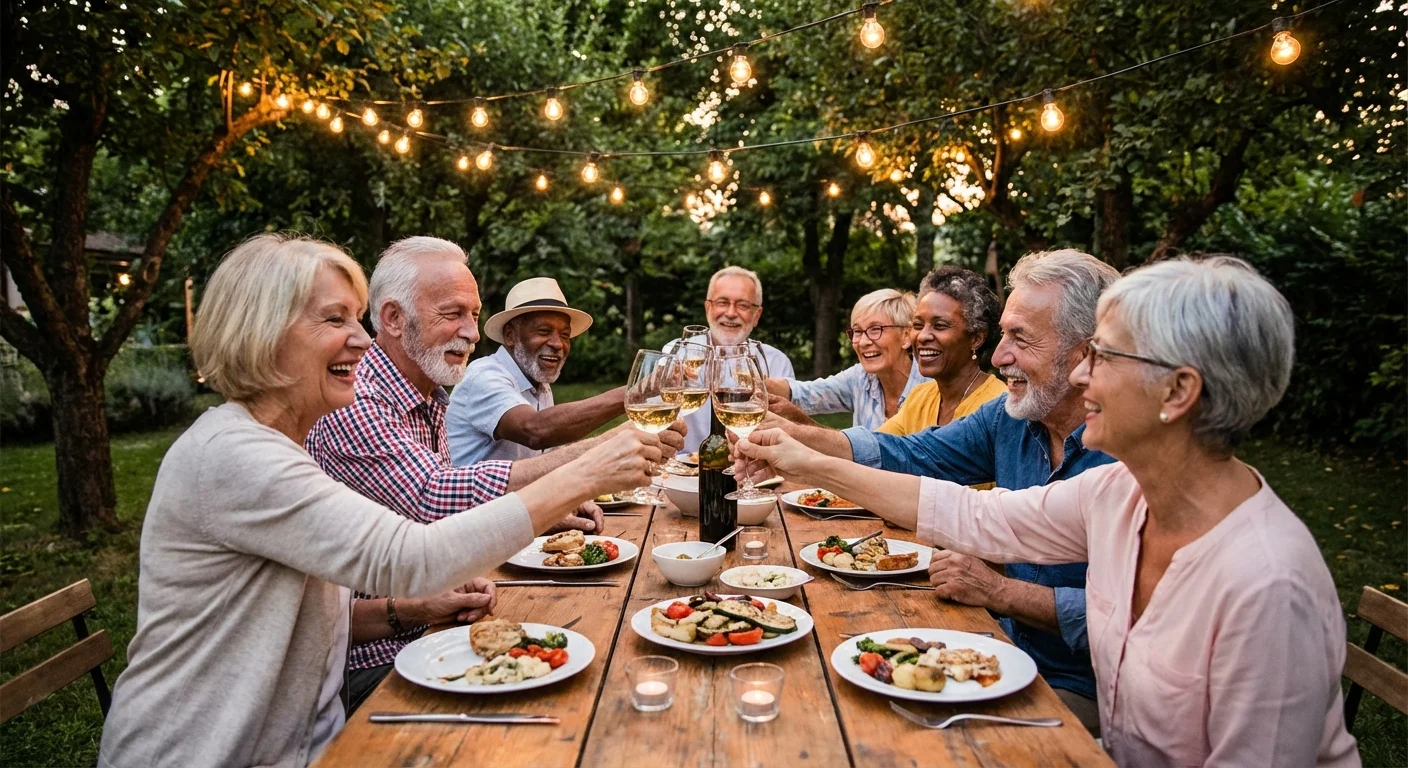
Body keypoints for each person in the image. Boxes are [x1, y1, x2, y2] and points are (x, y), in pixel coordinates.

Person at [736, 256, 1359, 768]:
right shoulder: (1121, 494)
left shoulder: (1267, 583)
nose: (1084, 375)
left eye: (1106, 357)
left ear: (1178, 392)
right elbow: (968, 513)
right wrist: (806, 461)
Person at [99, 234, 666, 768]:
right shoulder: (234, 456)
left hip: (297, 739)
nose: (364, 339)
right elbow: (412, 555)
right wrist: (584, 470)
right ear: (263, 332)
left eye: (358, 316)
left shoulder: (281, 443)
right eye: (334, 318)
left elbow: (302, 614)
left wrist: (411, 610)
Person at [740, 249, 1120, 732]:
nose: (1000, 356)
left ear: (1084, 352)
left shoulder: (1127, 456)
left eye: (1019, 338)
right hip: (991, 644)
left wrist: (1003, 591)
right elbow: (909, 455)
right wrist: (794, 442)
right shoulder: (1011, 416)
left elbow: (1130, 618)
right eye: (1003, 335)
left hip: (1081, 683)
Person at [306, 238, 682, 712]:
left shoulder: (427, 395)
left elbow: (432, 519)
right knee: (601, 684)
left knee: (601, 653)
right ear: (394, 319)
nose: (470, 332)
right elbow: (432, 496)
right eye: (453, 314)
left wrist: (547, 508)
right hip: (375, 663)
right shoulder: (360, 396)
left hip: (431, 619)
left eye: (473, 313)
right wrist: (597, 459)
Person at [447, 276, 625, 465]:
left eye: (565, 335)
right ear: (510, 335)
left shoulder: (539, 383)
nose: (558, 344)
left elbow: (550, 453)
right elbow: (534, 430)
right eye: (543, 331)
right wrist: (631, 395)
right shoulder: (484, 376)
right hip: (477, 495)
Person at [672, 265, 795, 453]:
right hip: (682, 472)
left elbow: (788, 433)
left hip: (754, 473)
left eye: (743, 305)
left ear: (757, 315)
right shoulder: (678, 353)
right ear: (708, 308)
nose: (730, 313)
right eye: (722, 302)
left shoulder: (776, 362)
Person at [764, 288, 927, 430]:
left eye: (876, 329)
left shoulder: (933, 385)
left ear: (906, 336)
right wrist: (761, 385)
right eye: (857, 331)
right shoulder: (860, 378)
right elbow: (807, 393)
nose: (863, 342)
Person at [877, 267, 1006, 435]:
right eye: (918, 325)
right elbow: (876, 445)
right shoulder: (919, 398)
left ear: (976, 339)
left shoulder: (998, 407)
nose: (922, 336)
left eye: (940, 326)